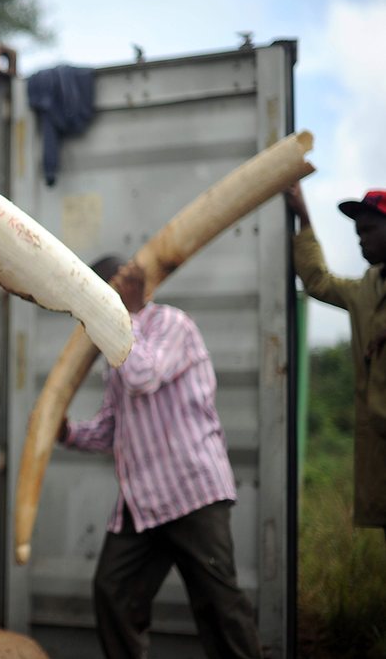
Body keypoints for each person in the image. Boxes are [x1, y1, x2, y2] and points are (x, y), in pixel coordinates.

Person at [57, 256, 261, 659]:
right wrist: (66, 432)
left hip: (190, 491)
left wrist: (127, 313)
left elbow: (143, 377)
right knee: (113, 592)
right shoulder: (116, 347)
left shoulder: (170, 325)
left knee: (219, 607)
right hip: (144, 500)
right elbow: (112, 428)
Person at [284, 182, 386, 535]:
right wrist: (304, 218)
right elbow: (318, 281)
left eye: (369, 230)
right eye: (358, 233)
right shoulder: (367, 289)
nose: (361, 240)